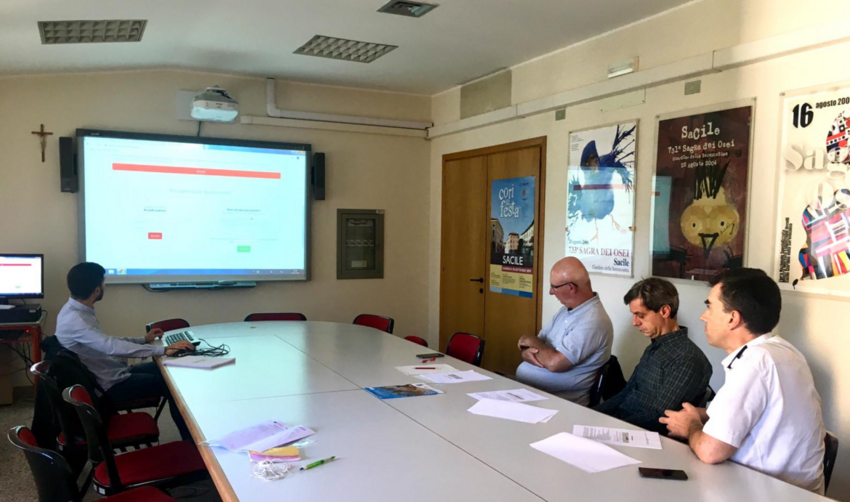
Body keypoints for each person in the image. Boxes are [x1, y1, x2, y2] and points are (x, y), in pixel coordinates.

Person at [660, 268, 826, 493]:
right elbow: (758, 412)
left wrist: (689, 425)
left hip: (770, 493)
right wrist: (705, 414)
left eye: (709, 307)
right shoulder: (786, 352)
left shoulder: (754, 363)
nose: (703, 316)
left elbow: (710, 451)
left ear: (733, 318)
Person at [55, 262, 196, 441]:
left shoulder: (74, 311)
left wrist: (143, 339)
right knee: (175, 386)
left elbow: (108, 341)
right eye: (103, 282)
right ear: (97, 290)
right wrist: (163, 349)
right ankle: (192, 442)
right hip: (111, 385)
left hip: (115, 371)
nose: (105, 286)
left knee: (171, 369)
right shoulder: (76, 320)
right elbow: (111, 346)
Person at [593, 278, 712, 434]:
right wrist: (592, 414)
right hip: (624, 426)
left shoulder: (687, 359)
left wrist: (611, 427)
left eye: (640, 315)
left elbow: (661, 416)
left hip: (643, 436)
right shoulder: (654, 347)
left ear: (665, 311)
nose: (635, 322)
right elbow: (627, 392)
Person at [515, 257, 613, 405]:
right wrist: (527, 350)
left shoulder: (593, 321)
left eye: (554, 287)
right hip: (532, 394)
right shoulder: (566, 310)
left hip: (560, 403)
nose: (550, 292)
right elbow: (532, 347)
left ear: (571, 287)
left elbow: (554, 363)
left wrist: (530, 340)